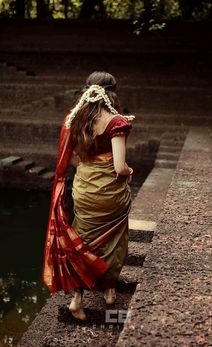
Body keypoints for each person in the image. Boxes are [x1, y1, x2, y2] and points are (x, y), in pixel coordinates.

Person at [42, 71, 135, 321]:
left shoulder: (75, 119)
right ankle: (109, 291)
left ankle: (77, 299)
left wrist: (88, 167)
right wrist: (129, 170)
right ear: (112, 93)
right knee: (115, 236)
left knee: (83, 240)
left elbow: (70, 158)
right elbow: (118, 166)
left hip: (84, 189)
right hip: (111, 193)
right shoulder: (116, 122)